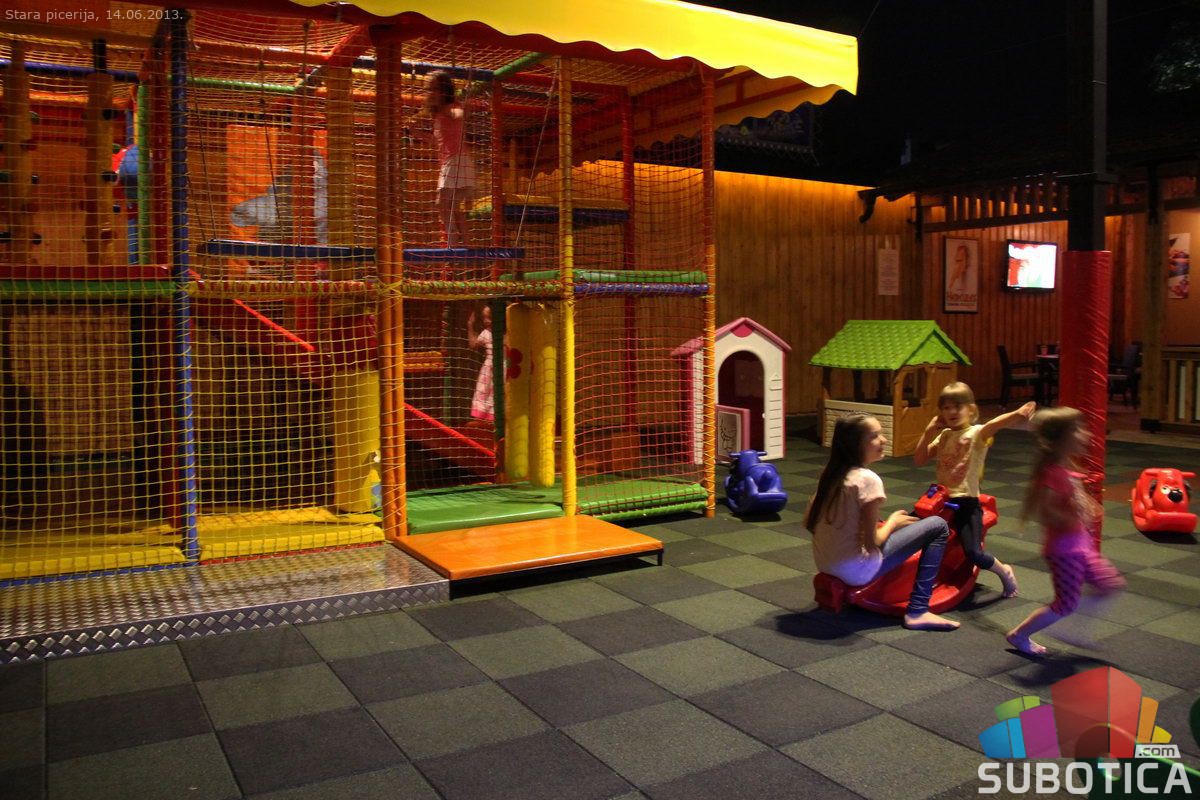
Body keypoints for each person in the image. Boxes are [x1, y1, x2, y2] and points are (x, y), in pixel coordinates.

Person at [806, 413, 960, 631]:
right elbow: (874, 542)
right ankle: (918, 611)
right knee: (938, 525)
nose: (884, 440)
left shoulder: (831, 474)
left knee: (896, 523)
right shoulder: (867, 479)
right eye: (874, 436)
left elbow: (810, 522)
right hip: (855, 571)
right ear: (856, 444)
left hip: (825, 564)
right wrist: (893, 522)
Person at [1005, 408, 1126, 656]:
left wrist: (1086, 505)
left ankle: (1073, 628)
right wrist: (1072, 517)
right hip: (1065, 551)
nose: (1086, 434)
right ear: (1062, 438)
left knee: (1110, 583)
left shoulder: (1066, 470)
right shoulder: (1053, 474)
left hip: (1080, 546)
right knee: (1065, 604)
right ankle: (1020, 634)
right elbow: (1047, 510)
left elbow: (1071, 499)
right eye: (1078, 429)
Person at [913, 383, 1032, 599]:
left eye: (958, 406)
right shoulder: (944, 435)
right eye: (946, 407)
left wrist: (1017, 414)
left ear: (971, 409)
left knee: (974, 553)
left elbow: (994, 424)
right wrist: (928, 432)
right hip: (940, 501)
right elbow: (920, 460)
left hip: (966, 504)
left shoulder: (977, 433)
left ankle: (1004, 571)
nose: (952, 411)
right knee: (909, 527)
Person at [425, 70, 475, 247]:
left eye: (435, 89)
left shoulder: (449, 108)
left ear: (444, 91)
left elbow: (458, 113)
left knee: (442, 204)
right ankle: (467, 243)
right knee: (453, 207)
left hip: (456, 160)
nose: (431, 93)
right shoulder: (440, 114)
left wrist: (461, 109)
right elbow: (438, 140)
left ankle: (452, 240)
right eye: (429, 89)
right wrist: (416, 134)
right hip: (456, 161)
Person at [468, 305, 493, 423]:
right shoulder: (486, 332)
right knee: (483, 390)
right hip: (489, 367)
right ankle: (483, 416)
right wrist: (470, 325)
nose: (486, 321)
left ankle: (495, 416)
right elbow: (473, 344)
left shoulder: (506, 332)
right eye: (484, 318)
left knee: (495, 392)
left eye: (489, 318)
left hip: (503, 366)